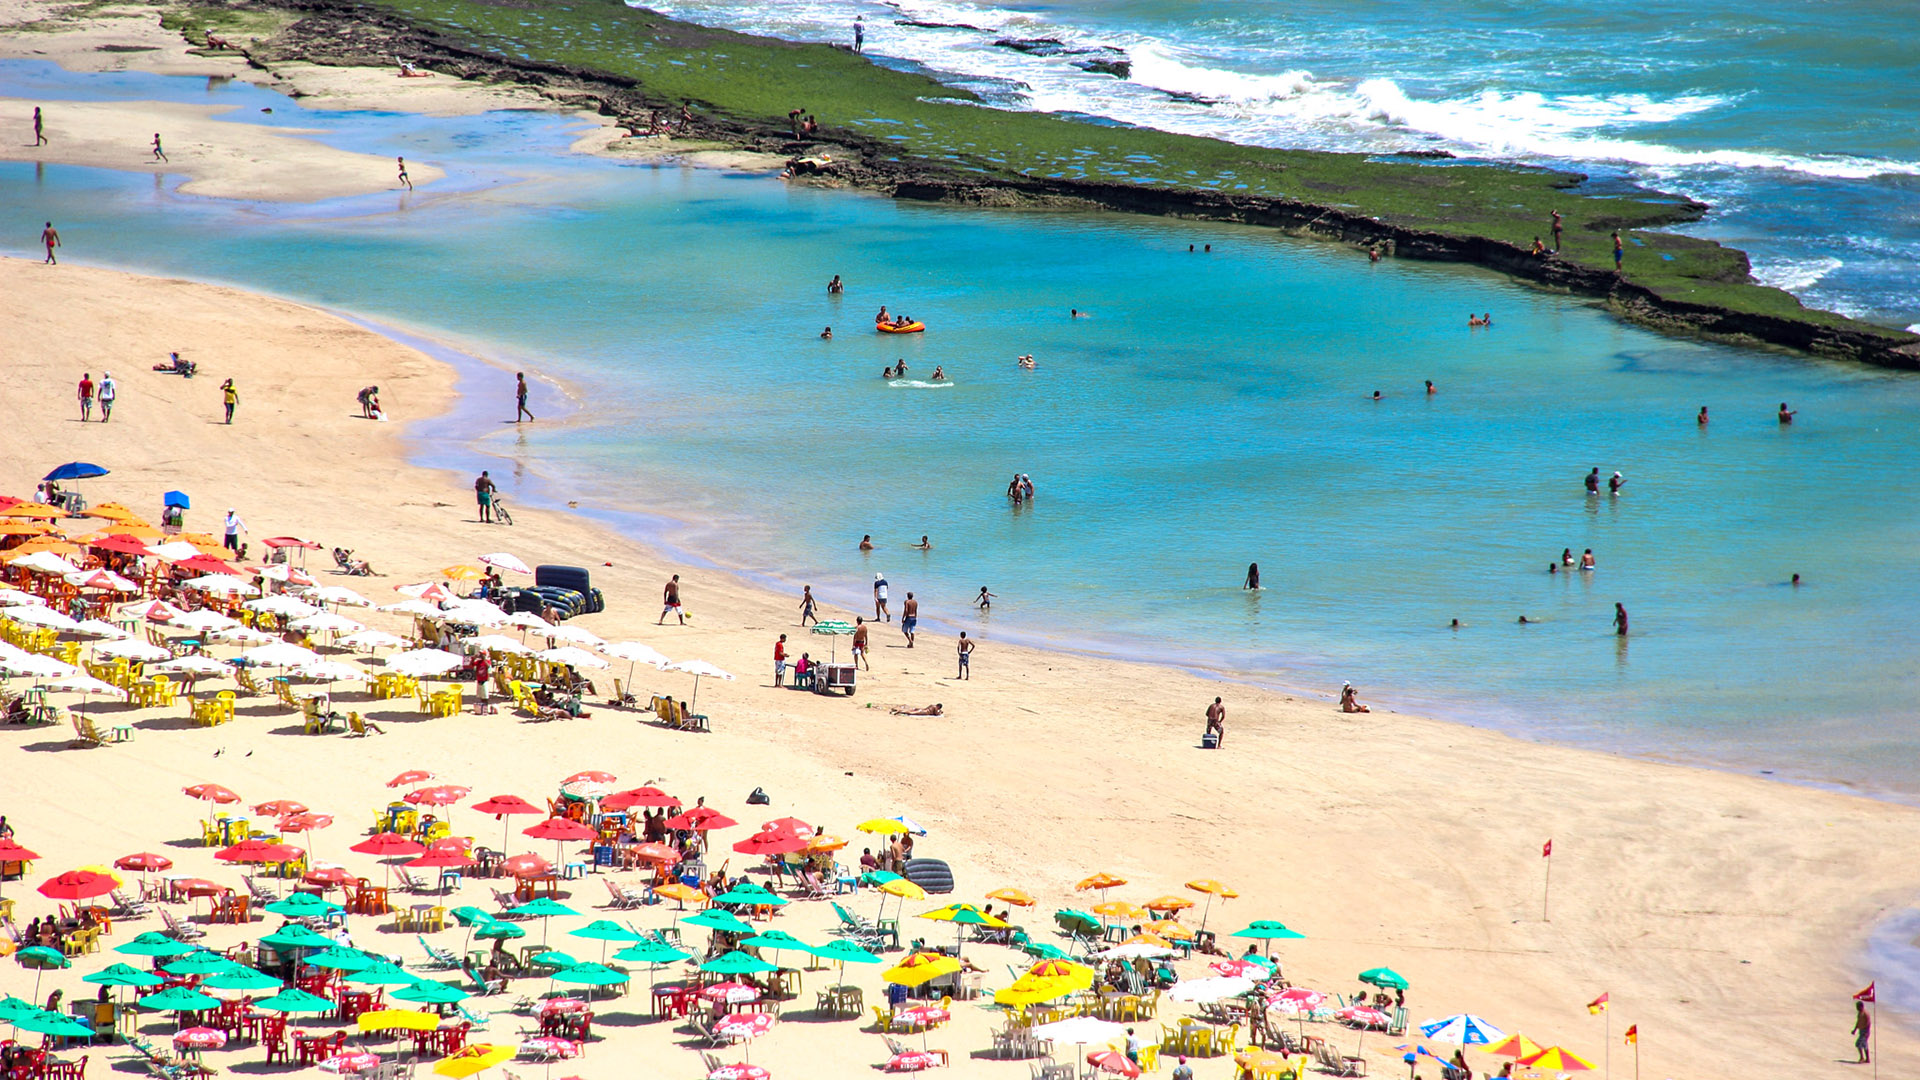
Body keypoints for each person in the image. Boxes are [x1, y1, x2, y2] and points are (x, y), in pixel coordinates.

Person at [1854, 997, 1871, 1063]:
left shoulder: (1865, 1014)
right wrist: (1855, 1029)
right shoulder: (1859, 1013)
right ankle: (1867, 1059)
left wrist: (1866, 1033)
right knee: (1864, 1045)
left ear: (1861, 1007)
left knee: (1858, 1044)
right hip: (1861, 1031)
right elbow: (1858, 1022)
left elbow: (1868, 1023)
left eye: (1858, 1007)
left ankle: (1862, 1058)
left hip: (1865, 1032)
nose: (1857, 1009)